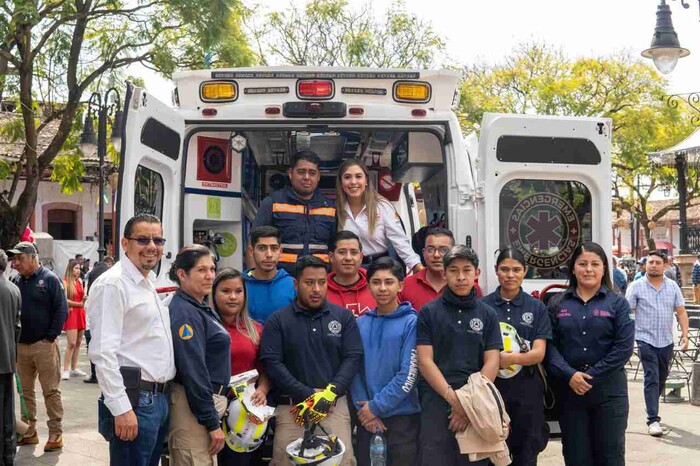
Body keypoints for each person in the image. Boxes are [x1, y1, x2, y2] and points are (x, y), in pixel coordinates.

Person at [87, 214, 175, 465]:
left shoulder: (148, 281)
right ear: (125, 244)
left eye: (158, 240)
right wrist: (121, 409)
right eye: (143, 239)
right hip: (135, 402)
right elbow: (103, 353)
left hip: (158, 400)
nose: (152, 246)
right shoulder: (113, 285)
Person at [260, 255, 363, 466]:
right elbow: (272, 364)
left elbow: (353, 357)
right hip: (292, 410)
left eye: (322, 282)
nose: (316, 289)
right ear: (296, 284)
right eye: (309, 283)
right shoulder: (278, 320)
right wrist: (307, 394)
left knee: (342, 462)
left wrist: (329, 393)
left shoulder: (343, 317)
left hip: (334, 408)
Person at [545, 241, 634, 465]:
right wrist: (570, 375)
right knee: (576, 457)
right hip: (570, 393)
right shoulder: (557, 303)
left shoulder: (618, 303)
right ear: (573, 268)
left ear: (604, 268)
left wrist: (590, 376)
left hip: (609, 395)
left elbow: (623, 348)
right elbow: (549, 346)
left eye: (595, 264)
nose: (589, 269)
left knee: (611, 456)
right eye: (582, 263)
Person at [416, 245, 501, 466]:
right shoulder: (428, 312)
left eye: (467, 270)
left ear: (477, 273)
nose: (460, 277)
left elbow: (492, 361)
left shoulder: (488, 314)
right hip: (436, 400)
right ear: (444, 274)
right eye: (453, 270)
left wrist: (468, 405)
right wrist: (455, 401)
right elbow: (425, 361)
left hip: (477, 403)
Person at [481, 247, 551, 465]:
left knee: (526, 453)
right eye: (504, 269)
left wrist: (509, 359)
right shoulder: (483, 306)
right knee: (492, 453)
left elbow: (539, 353)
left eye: (516, 270)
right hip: (492, 392)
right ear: (495, 271)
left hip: (527, 391)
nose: (510, 275)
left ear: (525, 271)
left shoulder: (537, 307)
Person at [350, 257, 420, 466]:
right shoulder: (360, 324)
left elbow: (408, 374)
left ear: (401, 285)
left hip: (403, 419)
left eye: (389, 282)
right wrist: (366, 412)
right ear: (368, 285)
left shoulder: (412, 322)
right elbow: (353, 370)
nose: (382, 288)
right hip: (366, 418)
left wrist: (376, 407)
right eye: (376, 282)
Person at [168, 245, 231, 465]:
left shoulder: (199, 305)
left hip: (203, 405)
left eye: (212, 269)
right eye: (202, 270)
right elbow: (193, 369)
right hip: (192, 407)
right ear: (182, 274)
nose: (210, 276)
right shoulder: (185, 311)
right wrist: (211, 422)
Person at [9, 241, 68, 452]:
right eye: (14, 259)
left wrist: (50, 337)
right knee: (25, 392)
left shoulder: (50, 279)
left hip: (44, 345)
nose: (15, 263)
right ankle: (29, 432)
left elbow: (62, 309)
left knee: (50, 391)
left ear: (33, 257)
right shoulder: (15, 280)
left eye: (20, 258)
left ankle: (56, 433)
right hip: (21, 346)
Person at [211, 268, 272, 466]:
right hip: (211, 408)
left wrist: (262, 390)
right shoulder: (205, 326)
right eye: (226, 291)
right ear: (213, 293)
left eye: (238, 291)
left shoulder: (256, 330)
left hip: (246, 413)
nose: (233, 297)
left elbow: (265, 370)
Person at [625, 250, 689, 437]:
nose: (653, 265)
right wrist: (626, 338)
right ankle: (653, 419)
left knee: (661, 378)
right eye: (650, 262)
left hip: (666, 340)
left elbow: (681, 311)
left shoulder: (673, 287)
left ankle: (653, 402)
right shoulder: (636, 287)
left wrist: (685, 335)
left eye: (657, 262)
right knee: (651, 377)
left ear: (665, 265)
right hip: (645, 339)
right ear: (646, 265)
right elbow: (627, 314)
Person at [252, 150, 336, 274]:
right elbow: (253, 244)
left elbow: (335, 250)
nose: (306, 177)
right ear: (291, 173)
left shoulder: (330, 208)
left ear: (318, 177)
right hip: (281, 280)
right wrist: (252, 279)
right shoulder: (273, 203)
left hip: (319, 281)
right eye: (301, 172)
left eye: (312, 173)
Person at [336, 159, 422, 272]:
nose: (353, 182)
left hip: (378, 268)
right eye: (347, 177)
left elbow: (399, 241)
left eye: (358, 176)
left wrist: (416, 265)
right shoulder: (336, 210)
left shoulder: (383, 207)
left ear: (366, 180)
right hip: (348, 270)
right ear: (341, 182)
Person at [244, 226, 295, 323]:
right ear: (251, 251)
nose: (269, 254)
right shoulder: (240, 285)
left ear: (280, 252)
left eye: (274, 248)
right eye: (262, 248)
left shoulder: (293, 285)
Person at [399, 227, 454, 311]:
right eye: (431, 250)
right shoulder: (405, 286)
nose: (436, 255)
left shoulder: (465, 286)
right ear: (423, 253)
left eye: (443, 250)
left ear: (453, 253)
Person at [0, 250, 21, 465]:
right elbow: (17, 327)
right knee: (8, 411)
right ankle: (8, 454)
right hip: (8, 358)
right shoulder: (14, 289)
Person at [327, 230, 376, 317]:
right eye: (342, 252)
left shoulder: (377, 286)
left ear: (361, 257)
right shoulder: (321, 290)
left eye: (353, 252)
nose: (348, 258)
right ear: (331, 257)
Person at [84, 256, 116, 384]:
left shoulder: (94, 274)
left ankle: (95, 375)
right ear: (110, 263)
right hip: (104, 320)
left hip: (91, 320)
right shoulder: (109, 276)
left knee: (93, 346)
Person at [61, 259, 88, 380]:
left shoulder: (80, 281)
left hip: (80, 313)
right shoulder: (65, 282)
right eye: (76, 268)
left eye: (79, 268)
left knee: (78, 343)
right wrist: (79, 304)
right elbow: (64, 301)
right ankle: (65, 369)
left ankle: (74, 367)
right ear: (70, 269)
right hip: (72, 313)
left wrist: (85, 298)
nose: (78, 270)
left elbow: (82, 297)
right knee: (71, 343)